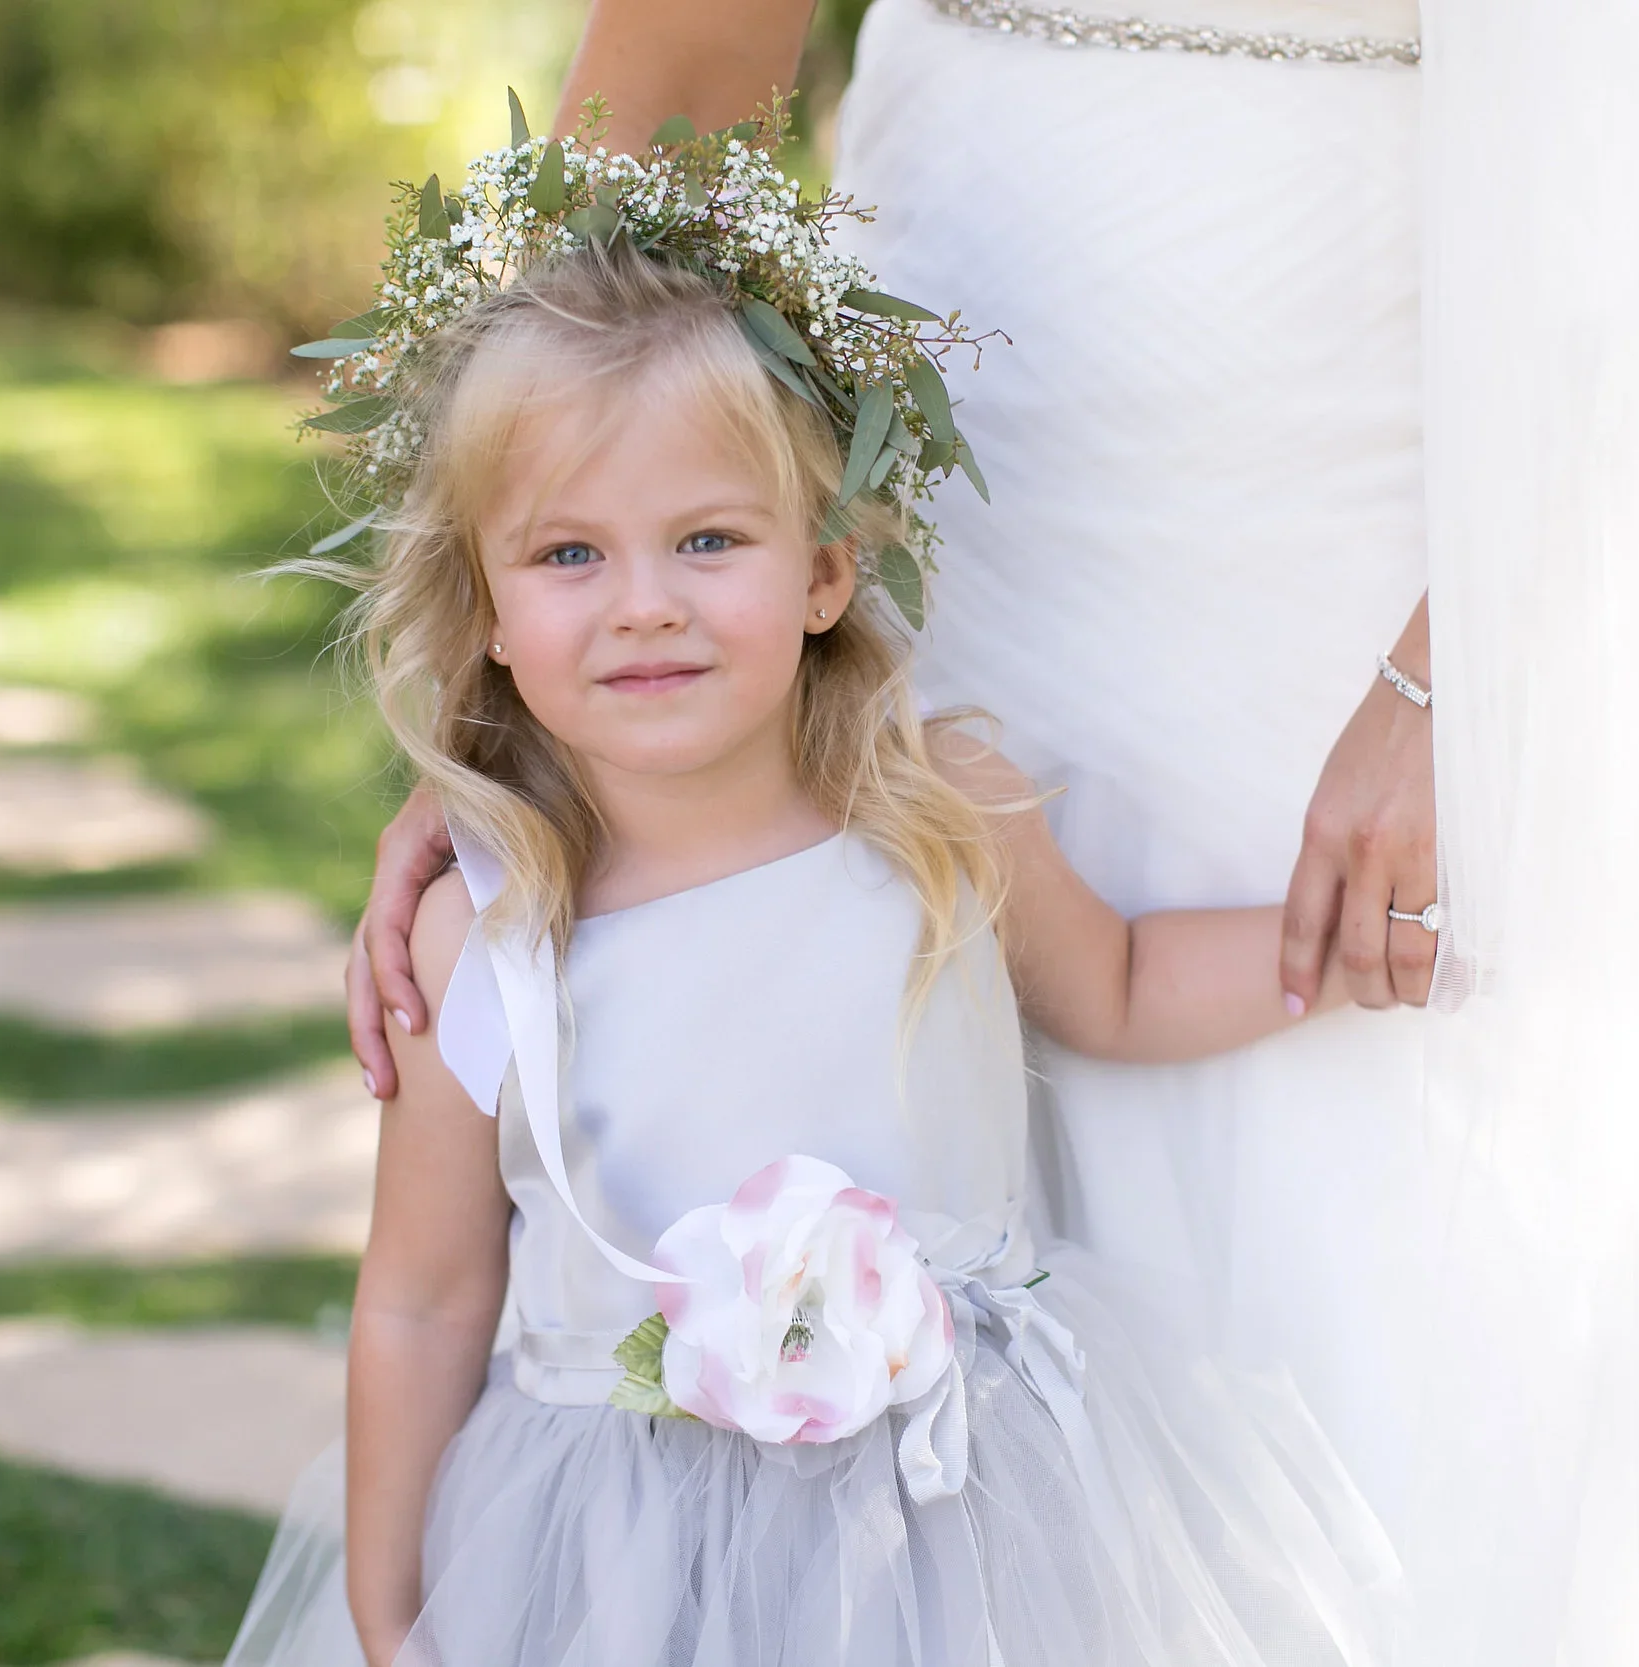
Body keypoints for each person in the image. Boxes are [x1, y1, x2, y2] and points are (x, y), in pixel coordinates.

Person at [345, 2, 1639, 1660]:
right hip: (935, 443)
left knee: (1380, 1260)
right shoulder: (748, 624)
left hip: (1357, 516)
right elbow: (694, 36)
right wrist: (512, 649)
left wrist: (1467, 667)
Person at [228, 163, 1399, 1667]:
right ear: (493, 618)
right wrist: (392, 1607)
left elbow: (1118, 978)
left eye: (709, 540)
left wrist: (1345, 950)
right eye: (569, 554)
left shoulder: (939, 815)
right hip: (616, 1558)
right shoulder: (486, 939)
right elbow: (423, 1296)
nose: (644, 601)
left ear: (828, 571)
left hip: (960, 1522)